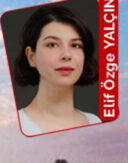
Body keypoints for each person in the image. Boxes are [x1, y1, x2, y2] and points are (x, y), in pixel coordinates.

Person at [13, 5, 100, 136]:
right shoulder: (17, 125)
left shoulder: (94, 122)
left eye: (75, 45)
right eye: (52, 45)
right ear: (31, 56)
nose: (66, 55)